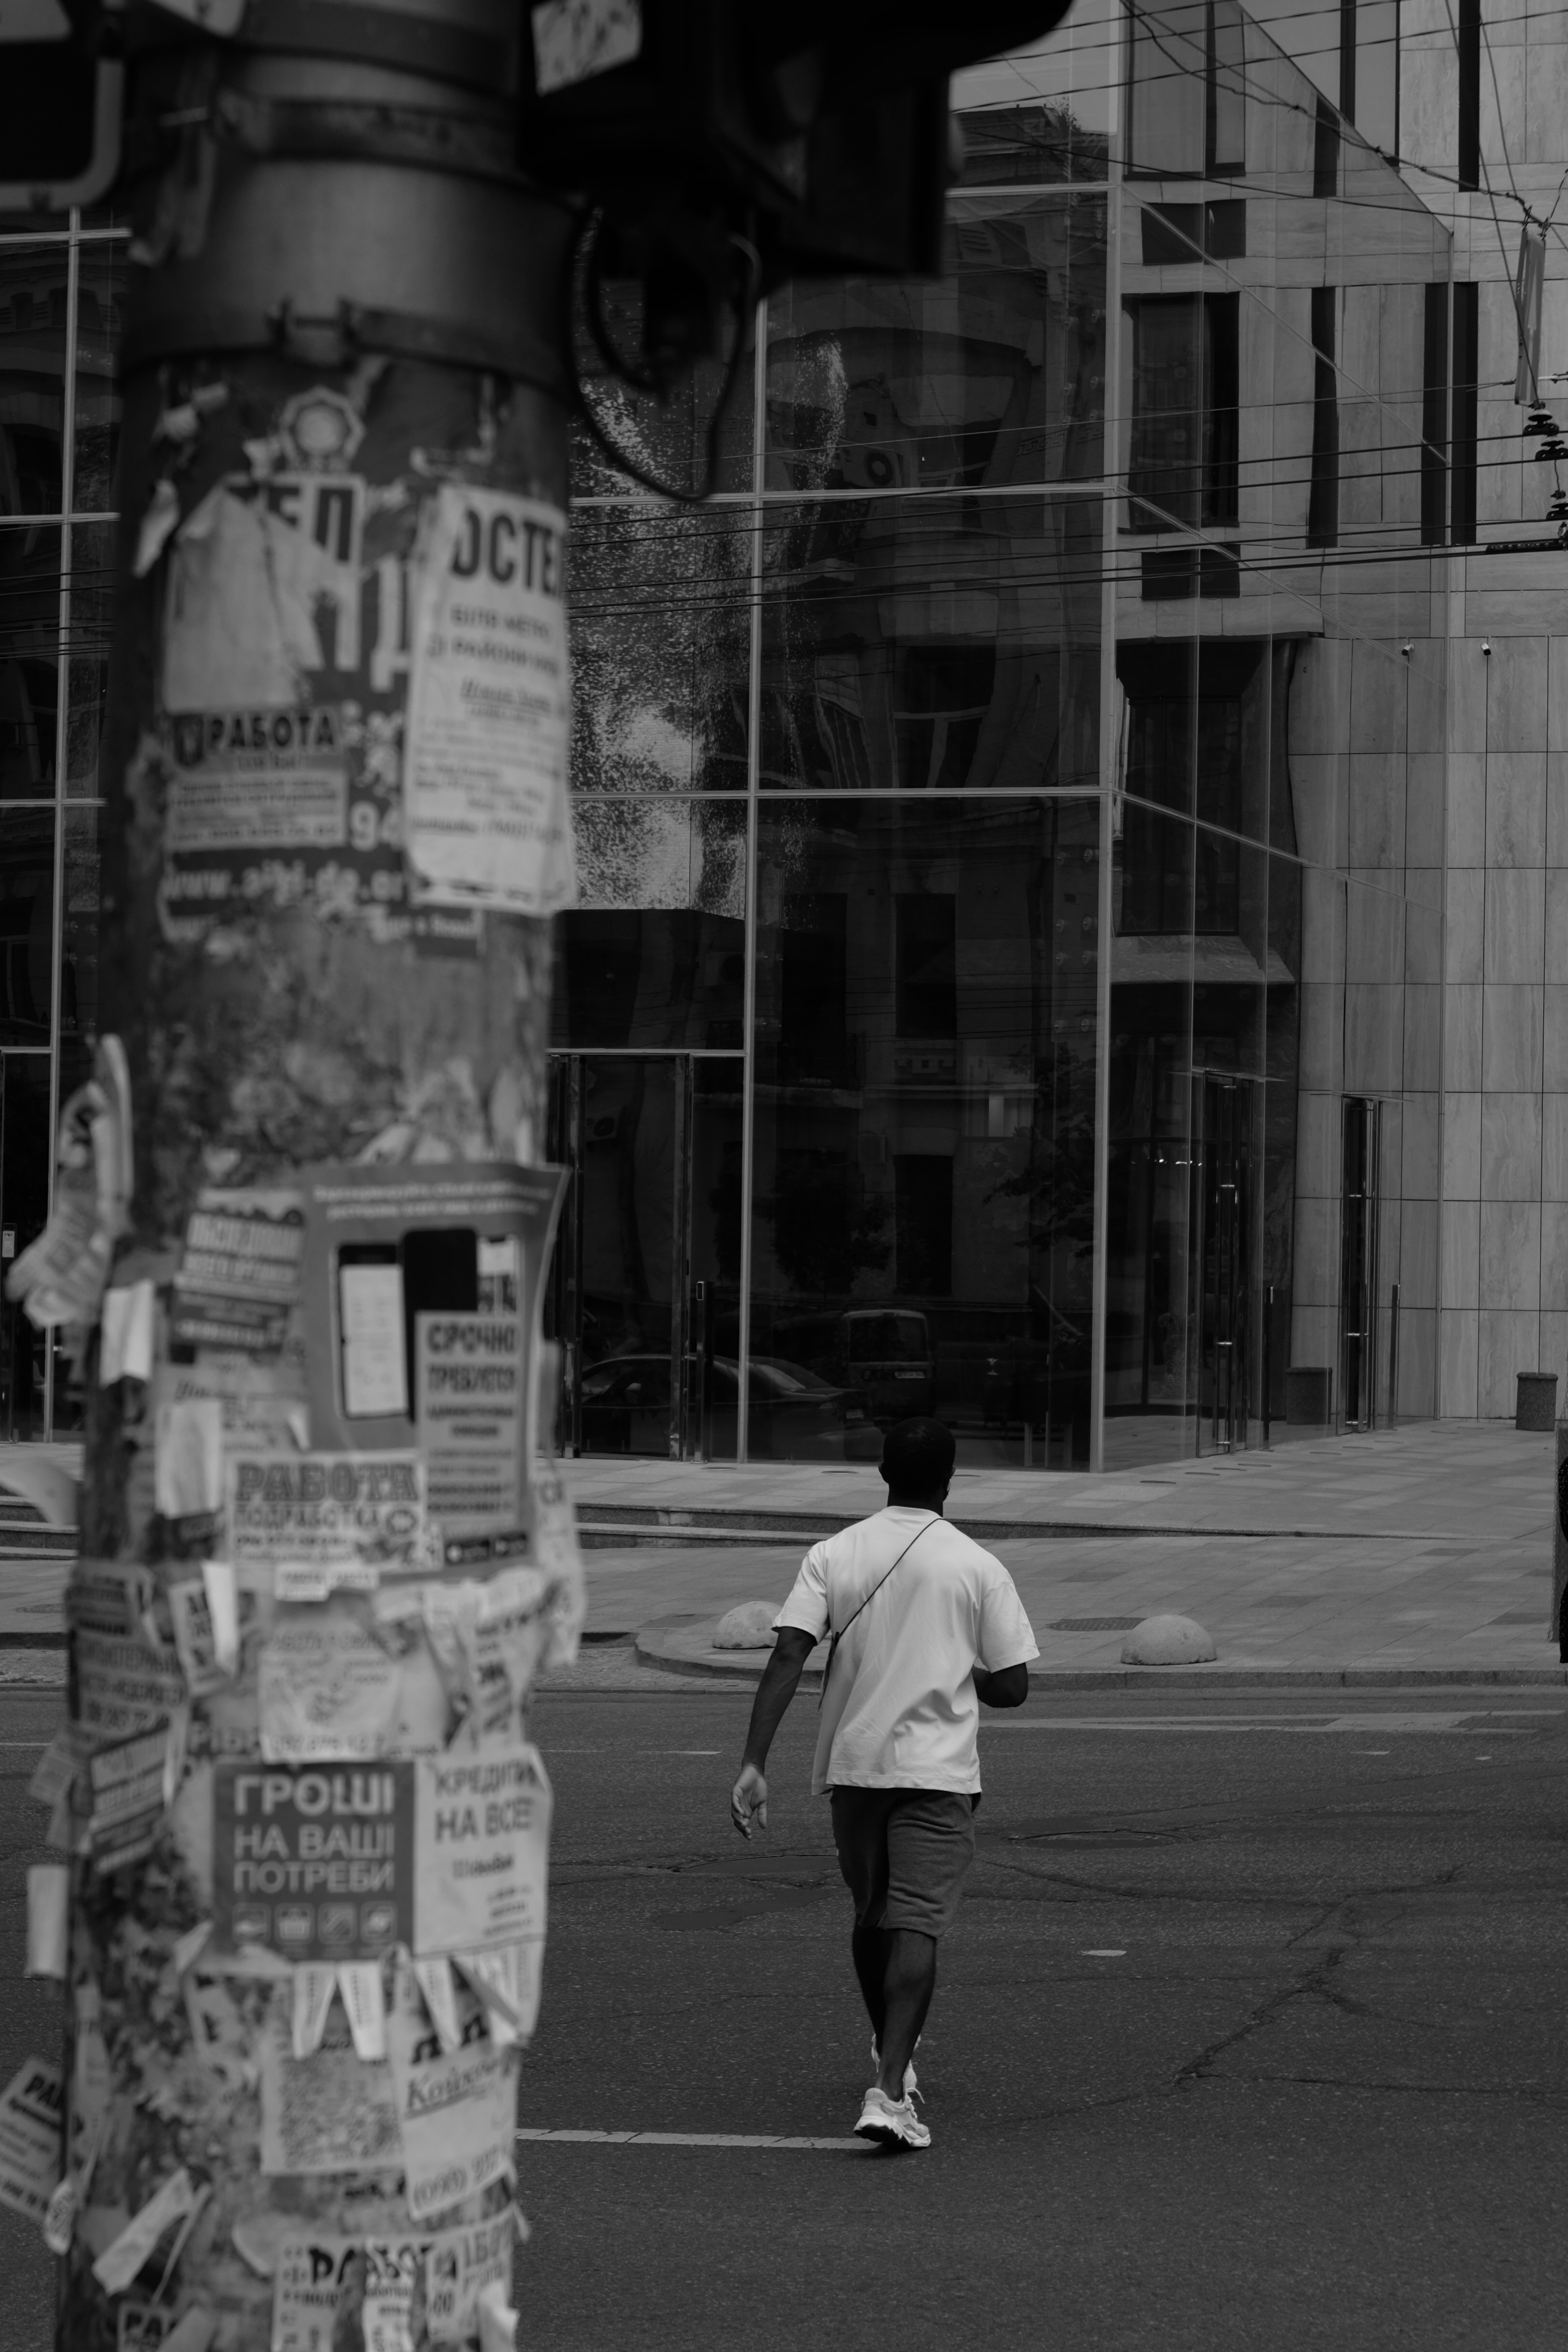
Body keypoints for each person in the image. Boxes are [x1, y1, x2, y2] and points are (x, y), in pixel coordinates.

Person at [729, 1416, 1038, 2150]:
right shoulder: (977, 1565)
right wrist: (962, 1667)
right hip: (937, 1771)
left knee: (874, 1916)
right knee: (916, 1922)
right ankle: (890, 2090)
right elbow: (1015, 1688)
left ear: (882, 1474)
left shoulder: (834, 1553)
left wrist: (754, 1763)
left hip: (856, 1766)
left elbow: (787, 1657)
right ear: (950, 1481)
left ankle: (889, 2056)